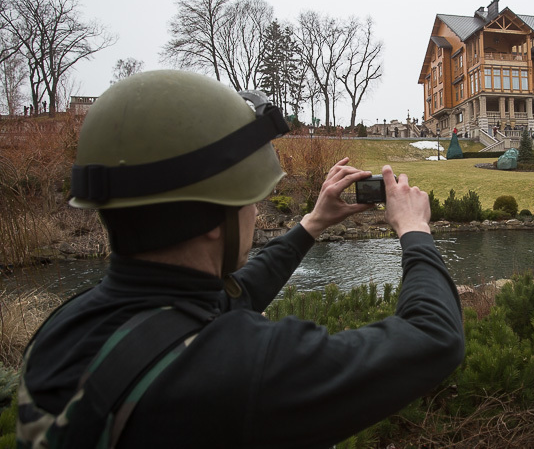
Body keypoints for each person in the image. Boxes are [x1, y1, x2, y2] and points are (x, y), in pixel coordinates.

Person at [17, 71, 465, 448]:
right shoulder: (242, 368)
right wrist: (415, 231)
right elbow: (433, 338)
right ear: (215, 217)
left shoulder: (64, 328)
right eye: (251, 198)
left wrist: (311, 224)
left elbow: (232, 297)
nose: (255, 211)